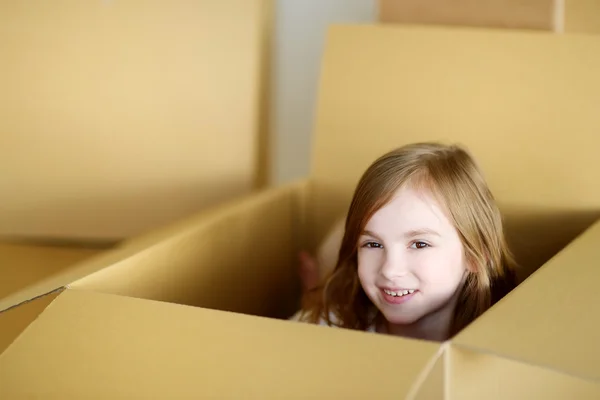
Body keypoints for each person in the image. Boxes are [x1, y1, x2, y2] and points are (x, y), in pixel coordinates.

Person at [293, 142, 518, 342]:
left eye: (419, 244)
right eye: (373, 244)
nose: (390, 270)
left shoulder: (503, 345)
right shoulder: (326, 330)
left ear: (476, 255)